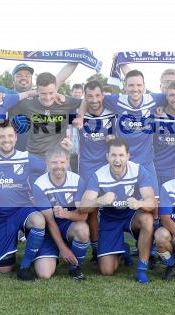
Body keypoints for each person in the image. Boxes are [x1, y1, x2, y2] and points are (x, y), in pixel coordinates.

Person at [0, 120, 48, 280]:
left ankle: (25, 267)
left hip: (22, 209)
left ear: (15, 137)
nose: (6, 139)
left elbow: (52, 167)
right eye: (2, 136)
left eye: (10, 136)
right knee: (4, 269)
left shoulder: (26, 158)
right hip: (0, 217)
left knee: (39, 221)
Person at [80, 138, 157, 283]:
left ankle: (141, 269)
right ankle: (124, 251)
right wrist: (100, 201)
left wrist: (139, 203)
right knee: (106, 271)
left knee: (147, 219)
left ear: (128, 156)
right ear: (107, 157)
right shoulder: (98, 175)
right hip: (110, 219)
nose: (117, 160)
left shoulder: (138, 170)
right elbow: (83, 206)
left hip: (130, 215)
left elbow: (152, 202)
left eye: (121, 155)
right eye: (113, 155)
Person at [31, 146, 90, 281]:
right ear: (47, 163)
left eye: (62, 162)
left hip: (68, 227)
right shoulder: (39, 184)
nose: (59, 166)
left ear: (68, 162)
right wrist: (63, 248)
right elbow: (50, 222)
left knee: (83, 229)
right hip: (48, 232)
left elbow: (83, 216)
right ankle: (55, 254)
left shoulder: (77, 180)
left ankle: (75, 268)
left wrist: (66, 214)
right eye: (54, 162)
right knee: (44, 274)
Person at [75, 80, 117, 260]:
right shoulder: (77, 114)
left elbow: (118, 141)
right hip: (86, 167)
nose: (94, 99)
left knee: (114, 207)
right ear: (85, 97)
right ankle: (95, 248)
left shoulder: (113, 114)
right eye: (89, 96)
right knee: (90, 209)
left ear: (103, 96)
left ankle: (115, 245)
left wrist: (112, 140)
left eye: (97, 95)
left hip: (108, 167)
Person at [10, 72, 82, 158]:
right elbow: (7, 99)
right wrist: (28, 93)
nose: (48, 98)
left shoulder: (65, 101)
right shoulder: (27, 103)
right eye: (43, 93)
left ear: (56, 89)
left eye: (51, 93)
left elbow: (88, 101)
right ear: (36, 91)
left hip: (58, 158)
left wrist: (80, 116)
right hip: (34, 156)